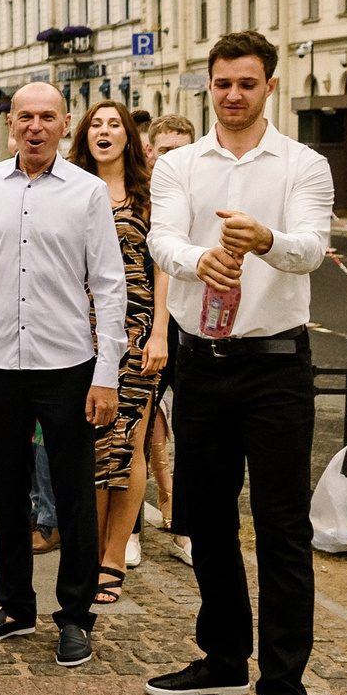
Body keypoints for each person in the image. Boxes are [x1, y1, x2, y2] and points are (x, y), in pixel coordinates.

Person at [143, 32, 334, 695]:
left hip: (276, 364)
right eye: (222, 84)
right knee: (205, 517)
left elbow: (313, 246)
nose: (232, 95)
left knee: (283, 529)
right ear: (210, 88)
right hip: (201, 363)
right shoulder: (180, 165)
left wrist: (265, 242)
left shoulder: (302, 164)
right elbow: (162, 241)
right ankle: (224, 657)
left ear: (268, 86)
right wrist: (202, 261)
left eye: (246, 83)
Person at [0, 84, 125, 671]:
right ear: (10, 123)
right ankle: (15, 607)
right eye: (26, 117)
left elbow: (109, 286)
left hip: (67, 365)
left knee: (73, 493)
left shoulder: (88, 192)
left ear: (64, 123)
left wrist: (106, 374)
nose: (36, 127)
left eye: (48, 117)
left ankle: (75, 615)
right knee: (9, 490)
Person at [69, 102, 168, 603]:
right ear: (84, 136)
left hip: (135, 330)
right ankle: (88, 551)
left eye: (114, 125)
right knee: (87, 446)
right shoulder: (69, 188)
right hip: (76, 332)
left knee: (127, 441)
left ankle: (114, 555)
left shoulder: (148, 195)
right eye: (95, 125)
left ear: (129, 137)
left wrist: (160, 334)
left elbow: (164, 267)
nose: (104, 132)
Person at [141, 113, 198, 562]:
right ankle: (131, 531)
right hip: (144, 324)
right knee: (137, 428)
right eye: (165, 150)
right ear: (150, 151)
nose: (172, 158)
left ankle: (183, 528)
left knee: (192, 430)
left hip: (191, 323)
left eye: (182, 150)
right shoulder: (140, 199)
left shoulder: (198, 196)